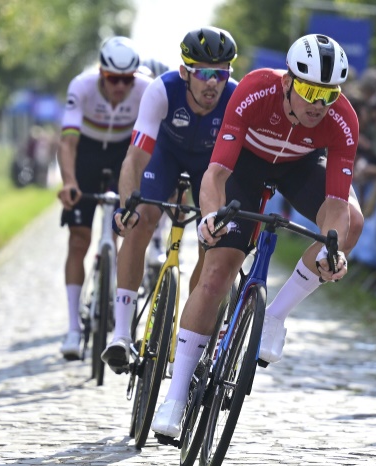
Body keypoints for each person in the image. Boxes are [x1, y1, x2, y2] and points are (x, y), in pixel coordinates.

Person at [151, 33, 364, 437]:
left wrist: (331, 248)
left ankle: (274, 317)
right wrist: (211, 216)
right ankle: (175, 396)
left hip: (300, 166)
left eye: (329, 95)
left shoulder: (343, 120)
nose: (318, 104)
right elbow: (216, 174)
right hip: (245, 166)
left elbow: (335, 203)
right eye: (308, 90)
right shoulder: (255, 89)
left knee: (351, 222)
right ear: (287, 82)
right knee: (218, 271)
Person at [100, 27, 239, 372]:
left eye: (220, 74)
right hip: (165, 156)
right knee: (140, 219)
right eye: (204, 73)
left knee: (213, 240)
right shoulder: (162, 90)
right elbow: (134, 157)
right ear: (184, 72)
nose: (212, 83)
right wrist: (125, 207)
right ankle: (120, 334)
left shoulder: (235, 98)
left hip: (210, 165)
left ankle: (191, 332)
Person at [56, 36, 153, 360]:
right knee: (78, 240)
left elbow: (151, 145)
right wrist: (69, 182)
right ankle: (72, 327)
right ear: (101, 73)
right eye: (114, 79)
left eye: (128, 80)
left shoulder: (145, 88)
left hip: (121, 155)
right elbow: (67, 143)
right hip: (86, 153)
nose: (121, 87)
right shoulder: (81, 87)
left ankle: (111, 286)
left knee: (119, 226)